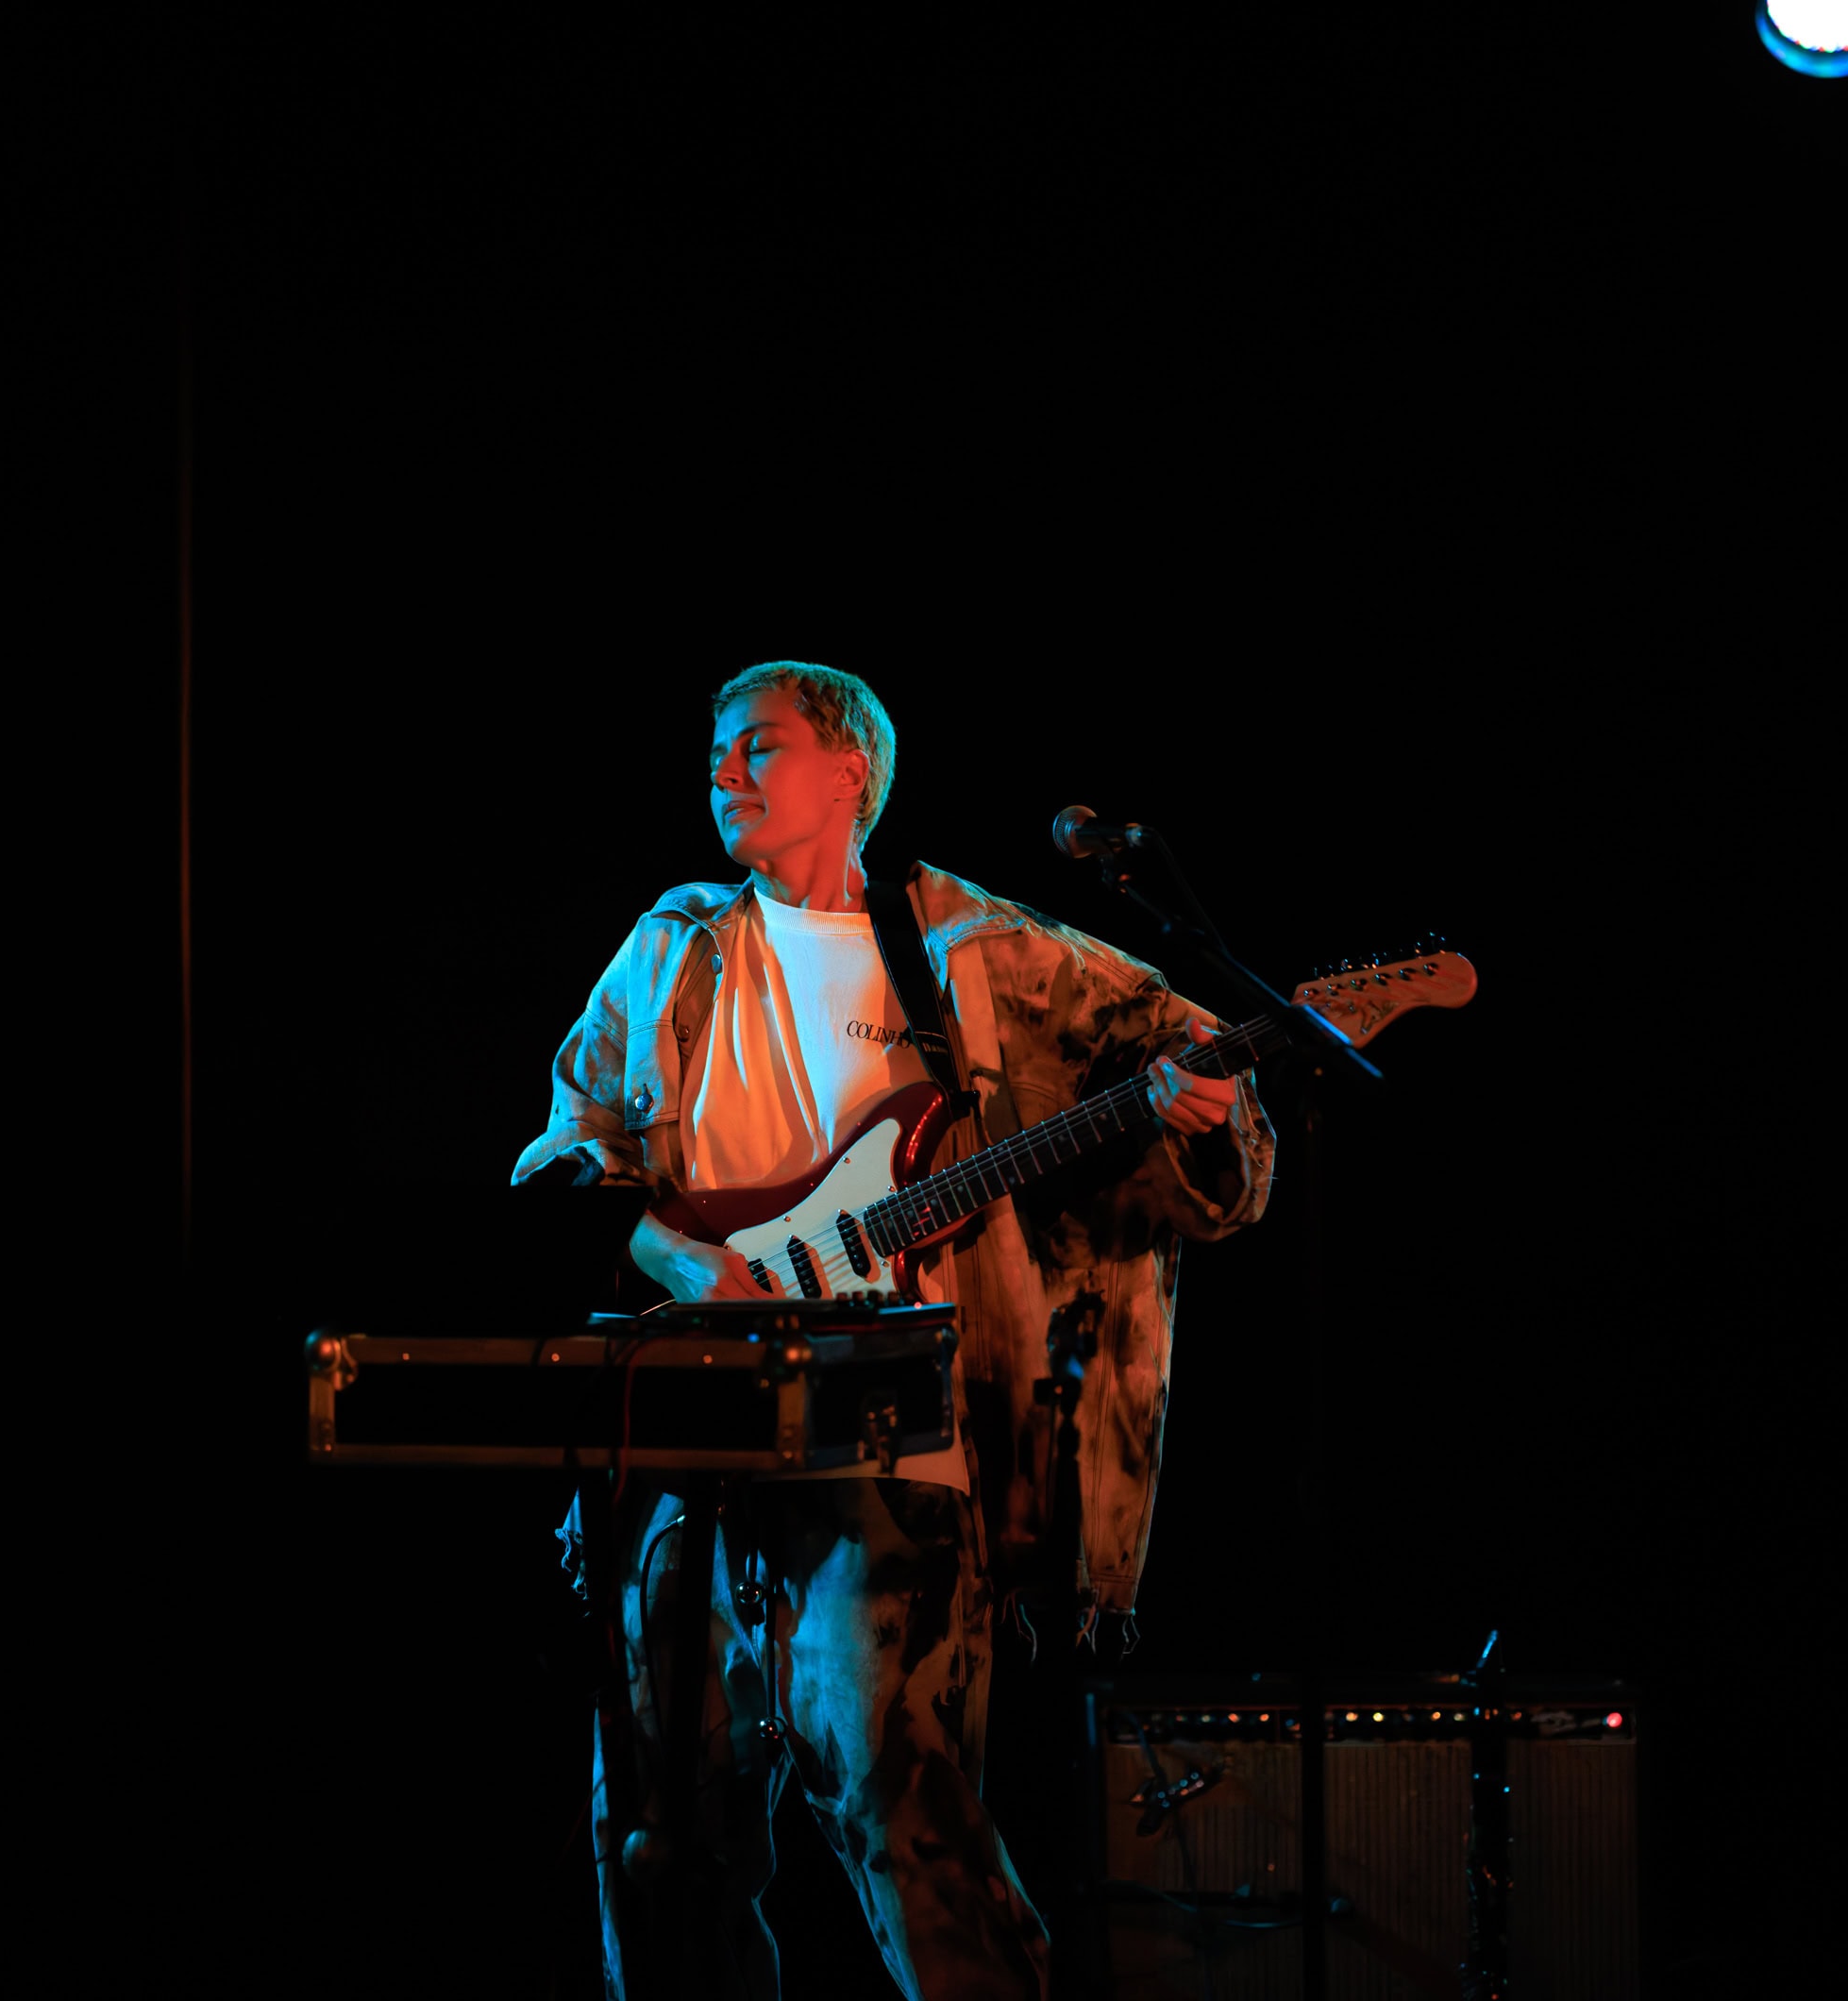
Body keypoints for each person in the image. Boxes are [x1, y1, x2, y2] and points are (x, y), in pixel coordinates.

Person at [512, 661, 1275, 2000]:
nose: (725, 772)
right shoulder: (674, 943)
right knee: (660, 1829)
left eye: (759, 747)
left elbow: (1188, 1063)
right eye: (716, 753)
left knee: (901, 1801)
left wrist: (1194, 1110)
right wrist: (686, 1263)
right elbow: (573, 1147)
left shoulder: (975, 949)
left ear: (850, 766)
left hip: (897, 1433)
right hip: (693, 1429)